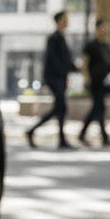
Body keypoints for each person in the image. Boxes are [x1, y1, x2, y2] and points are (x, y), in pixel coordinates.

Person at [27, 10, 79, 148]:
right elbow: (55, 61)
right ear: (59, 21)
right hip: (55, 78)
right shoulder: (54, 38)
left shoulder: (61, 37)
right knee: (60, 108)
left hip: (61, 78)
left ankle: (59, 139)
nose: (67, 21)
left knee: (60, 108)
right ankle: (33, 131)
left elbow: (66, 61)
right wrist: (68, 69)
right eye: (65, 19)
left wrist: (76, 69)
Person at [79, 17, 110, 146]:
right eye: (103, 27)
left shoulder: (107, 45)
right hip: (94, 83)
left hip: (104, 83)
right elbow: (84, 64)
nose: (105, 30)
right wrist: (86, 79)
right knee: (99, 107)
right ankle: (103, 137)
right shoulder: (90, 45)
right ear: (97, 29)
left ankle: (84, 134)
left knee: (98, 108)